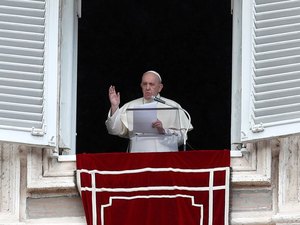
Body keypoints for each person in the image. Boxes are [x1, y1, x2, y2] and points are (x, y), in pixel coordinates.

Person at [105, 70, 193, 152]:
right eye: (145, 84)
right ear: (141, 86)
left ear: (160, 87)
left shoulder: (173, 106)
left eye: (151, 84)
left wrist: (164, 131)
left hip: (165, 157)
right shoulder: (130, 106)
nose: (147, 87)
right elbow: (114, 130)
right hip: (139, 156)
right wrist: (115, 106)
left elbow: (182, 138)